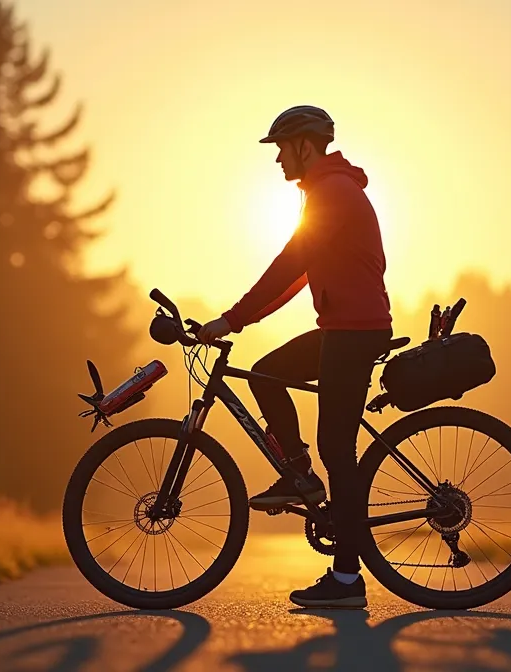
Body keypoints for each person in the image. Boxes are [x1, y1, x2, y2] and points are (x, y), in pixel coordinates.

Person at [197, 105, 392, 609]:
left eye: (282, 148)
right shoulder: (326, 192)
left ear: (306, 146)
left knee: (338, 449)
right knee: (266, 373)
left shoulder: (332, 193)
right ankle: (299, 474)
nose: (278, 159)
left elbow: (290, 263)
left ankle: (348, 580)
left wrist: (232, 319)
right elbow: (300, 274)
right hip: (342, 330)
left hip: (354, 333)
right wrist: (241, 318)